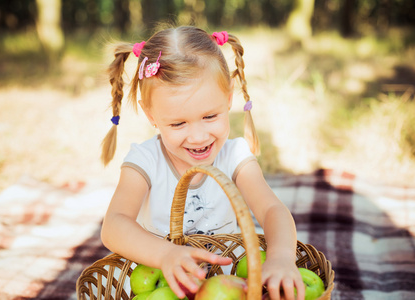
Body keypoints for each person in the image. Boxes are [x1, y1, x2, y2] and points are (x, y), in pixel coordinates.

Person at [100, 26, 305, 300]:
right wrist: (166, 254)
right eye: (178, 123)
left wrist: (281, 257)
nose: (198, 137)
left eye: (210, 116)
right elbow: (114, 225)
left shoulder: (234, 157)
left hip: (230, 287)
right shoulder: (145, 161)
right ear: (151, 115)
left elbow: (271, 209)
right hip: (162, 286)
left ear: (229, 97)